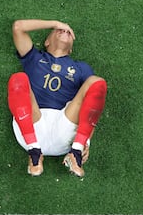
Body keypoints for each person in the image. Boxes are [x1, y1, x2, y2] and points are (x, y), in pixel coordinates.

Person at [8, 19, 107, 177]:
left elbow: (94, 100)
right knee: (18, 79)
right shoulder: (34, 58)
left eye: (69, 32)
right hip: (32, 124)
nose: (65, 31)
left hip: (65, 129)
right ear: (47, 41)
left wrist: (86, 141)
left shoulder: (81, 68)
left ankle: (76, 152)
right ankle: (34, 153)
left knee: (97, 82)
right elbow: (18, 27)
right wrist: (55, 24)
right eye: (59, 30)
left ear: (71, 49)